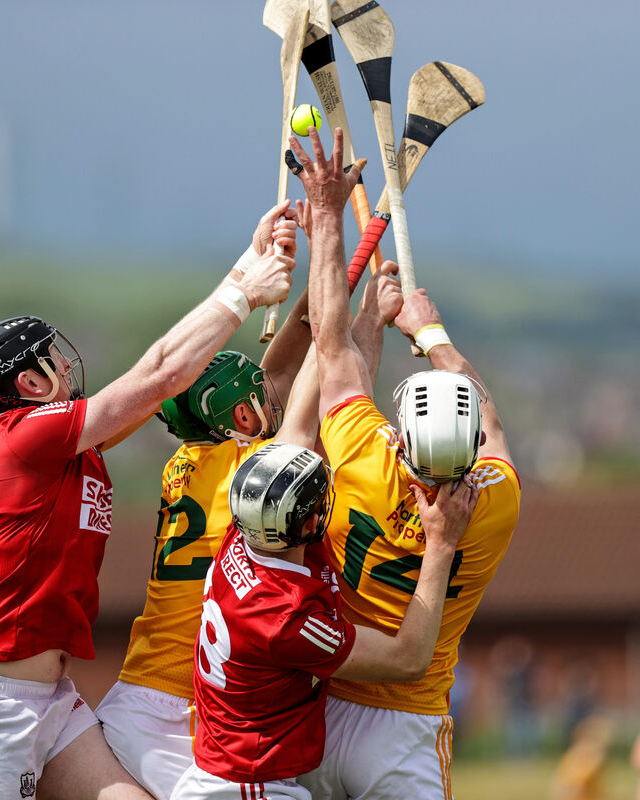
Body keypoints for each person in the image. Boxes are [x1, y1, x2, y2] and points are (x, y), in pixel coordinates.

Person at [0, 204, 297, 800]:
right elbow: (156, 374)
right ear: (28, 382)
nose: (68, 363)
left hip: (52, 701)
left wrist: (251, 261)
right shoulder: (28, 436)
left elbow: (165, 385)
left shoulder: (61, 444)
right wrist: (243, 292)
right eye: (53, 356)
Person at [96, 208, 404, 799]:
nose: (271, 392)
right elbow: (326, 372)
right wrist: (353, 292)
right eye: (257, 397)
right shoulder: (260, 478)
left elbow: (283, 371)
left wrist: (287, 276)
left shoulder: (189, 464)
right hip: (183, 715)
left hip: (132, 694)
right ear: (241, 419)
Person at [289, 127, 521, 799]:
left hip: (319, 709)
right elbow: (493, 423)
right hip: (406, 726)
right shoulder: (494, 503)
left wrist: (327, 223)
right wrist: (430, 332)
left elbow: (330, 346)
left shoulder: (361, 456)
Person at [171, 440, 478, 800]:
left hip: (228, 776)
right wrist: (441, 542)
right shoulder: (286, 619)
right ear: (309, 522)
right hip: (249, 787)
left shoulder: (242, 537)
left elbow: (296, 434)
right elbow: (407, 659)